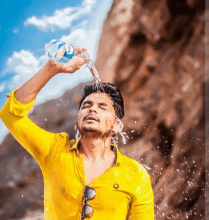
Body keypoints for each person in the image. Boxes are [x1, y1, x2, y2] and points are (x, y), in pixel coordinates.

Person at [0, 47, 154, 220]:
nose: (92, 109)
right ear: (77, 121)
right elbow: (10, 115)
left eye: (102, 107)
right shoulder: (55, 150)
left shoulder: (136, 174)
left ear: (116, 125)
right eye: (86, 106)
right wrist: (51, 68)